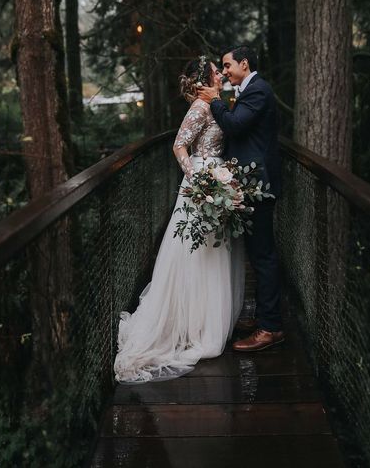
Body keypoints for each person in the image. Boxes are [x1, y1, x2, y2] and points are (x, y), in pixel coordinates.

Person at [113, 56, 245, 383]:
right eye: (216, 70)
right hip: (202, 183)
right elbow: (179, 146)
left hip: (216, 179)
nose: (220, 73)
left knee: (214, 251)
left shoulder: (214, 105)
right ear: (206, 78)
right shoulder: (201, 108)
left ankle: (206, 321)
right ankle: (192, 325)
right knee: (197, 253)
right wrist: (200, 180)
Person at [198, 45, 284, 351]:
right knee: (257, 253)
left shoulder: (258, 90)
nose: (223, 72)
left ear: (244, 64)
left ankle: (270, 327)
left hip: (259, 184)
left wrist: (215, 100)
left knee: (263, 255)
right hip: (248, 182)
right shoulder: (247, 90)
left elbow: (234, 124)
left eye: (227, 65)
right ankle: (264, 316)